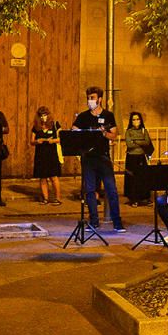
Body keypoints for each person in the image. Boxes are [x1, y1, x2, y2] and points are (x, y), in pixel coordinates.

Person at [72, 86, 125, 232]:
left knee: (111, 190)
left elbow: (114, 134)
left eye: (93, 98)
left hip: (103, 158)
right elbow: (74, 129)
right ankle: (93, 221)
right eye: (88, 98)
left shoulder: (108, 115)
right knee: (89, 190)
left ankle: (117, 222)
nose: (90, 101)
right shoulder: (83, 116)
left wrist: (104, 134)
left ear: (100, 99)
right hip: (88, 159)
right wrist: (77, 132)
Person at [31, 106, 62, 205]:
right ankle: (45, 198)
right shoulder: (36, 127)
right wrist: (37, 141)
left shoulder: (55, 125)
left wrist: (52, 140)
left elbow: (61, 138)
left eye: (45, 115)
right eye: (41, 116)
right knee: (43, 177)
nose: (43, 117)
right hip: (40, 155)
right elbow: (31, 141)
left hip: (52, 155)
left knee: (53, 177)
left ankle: (58, 198)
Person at [123, 111, 153, 206]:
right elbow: (129, 144)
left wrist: (135, 141)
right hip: (131, 157)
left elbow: (147, 142)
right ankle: (133, 199)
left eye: (137, 119)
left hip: (141, 156)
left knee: (142, 177)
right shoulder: (129, 131)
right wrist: (141, 141)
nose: (136, 121)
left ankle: (144, 198)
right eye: (134, 119)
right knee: (132, 178)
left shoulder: (144, 130)